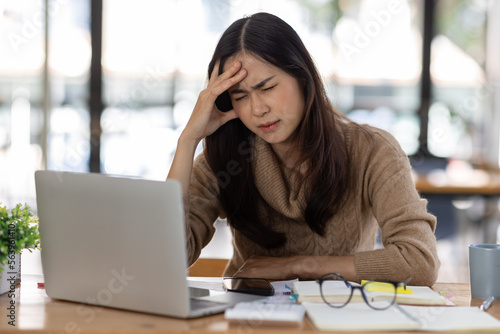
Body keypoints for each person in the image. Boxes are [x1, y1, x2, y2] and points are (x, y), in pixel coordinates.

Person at [167, 12, 440, 286]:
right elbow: (168, 259)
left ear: (302, 77)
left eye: (268, 87)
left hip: (341, 316)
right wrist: (188, 139)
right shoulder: (225, 157)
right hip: (248, 316)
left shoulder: (372, 150)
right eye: (240, 96)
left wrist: (300, 265)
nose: (258, 109)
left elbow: (419, 261)